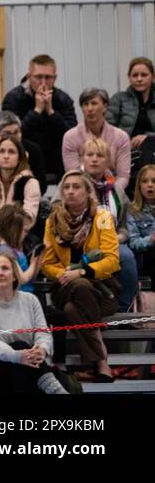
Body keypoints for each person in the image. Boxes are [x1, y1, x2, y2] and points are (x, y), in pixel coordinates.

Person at [41, 169, 120, 381]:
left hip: (102, 291)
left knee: (72, 307)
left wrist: (82, 272)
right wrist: (66, 274)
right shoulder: (52, 221)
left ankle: (97, 364)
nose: (70, 191)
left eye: (76, 187)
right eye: (66, 187)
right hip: (64, 287)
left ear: (87, 192)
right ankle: (101, 360)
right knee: (78, 288)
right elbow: (47, 264)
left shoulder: (102, 217)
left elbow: (112, 259)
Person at [0, 251, 69, 394]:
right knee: (19, 347)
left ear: (14, 275)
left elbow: (42, 332)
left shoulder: (30, 300)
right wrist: (16, 356)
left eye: (5, 268)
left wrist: (42, 349)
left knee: (23, 368)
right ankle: (55, 389)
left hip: (28, 364)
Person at [79, 137, 138, 312]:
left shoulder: (117, 190)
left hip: (111, 242)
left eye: (100, 155)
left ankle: (124, 309)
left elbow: (124, 227)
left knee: (126, 256)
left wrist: (116, 237)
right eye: (90, 155)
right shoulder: (73, 182)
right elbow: (57, 212)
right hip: (81, 242)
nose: (95, 159)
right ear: (83, 158)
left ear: (107, 161)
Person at [1, 55, 76, 186]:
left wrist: (51, 112)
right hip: (26, 152)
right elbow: (11, 135)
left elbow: (70, 136)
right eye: (38, 77)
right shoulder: (13, 98)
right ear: (29, 77)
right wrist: (37, 110)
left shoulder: (63, 99)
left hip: (54, 153)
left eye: (48, 77)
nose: (43, 83)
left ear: (55, 78)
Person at [0, 133, 41, 247]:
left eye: (11, 152)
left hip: (22, 237)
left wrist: (6, 240)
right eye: (1, 151)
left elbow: (29, 218)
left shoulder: (30, 183)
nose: (6, 156)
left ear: (20, 158)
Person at [63, 88, 132, 194]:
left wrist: (110, 194)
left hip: (113, 190)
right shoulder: (70, 136)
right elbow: (74, 174)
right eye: (86, 104)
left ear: (105, 107)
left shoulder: (121, 137)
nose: (90, 108)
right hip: (81, 192)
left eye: (94, 103)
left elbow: (123, 176)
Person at [107, 57, 154, 170]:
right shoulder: (119, 99)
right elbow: (107, 128)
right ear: (129, 78)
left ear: (152, 77)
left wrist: (148, 136)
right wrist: (125, 141)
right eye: (135, 75)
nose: (139, 79)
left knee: (150, 143)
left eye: (144, 75)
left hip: (153, 149)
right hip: (125, 149)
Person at [0, 204, 40, 295]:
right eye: (24, 231)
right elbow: (22, 279)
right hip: (17, 298)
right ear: (14, 231)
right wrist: (33, 263)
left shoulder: (16, 249)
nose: (26, 234)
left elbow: (31, 278)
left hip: (28, 295)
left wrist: (38, 261)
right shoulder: (5, 251)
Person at [125, 164, 155, 284]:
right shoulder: (132, 210)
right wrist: (151, 240)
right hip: (147, 257)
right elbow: (133, 243)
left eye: (154, 181)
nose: (149, 185)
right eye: (144, 181)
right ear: (139, 186)